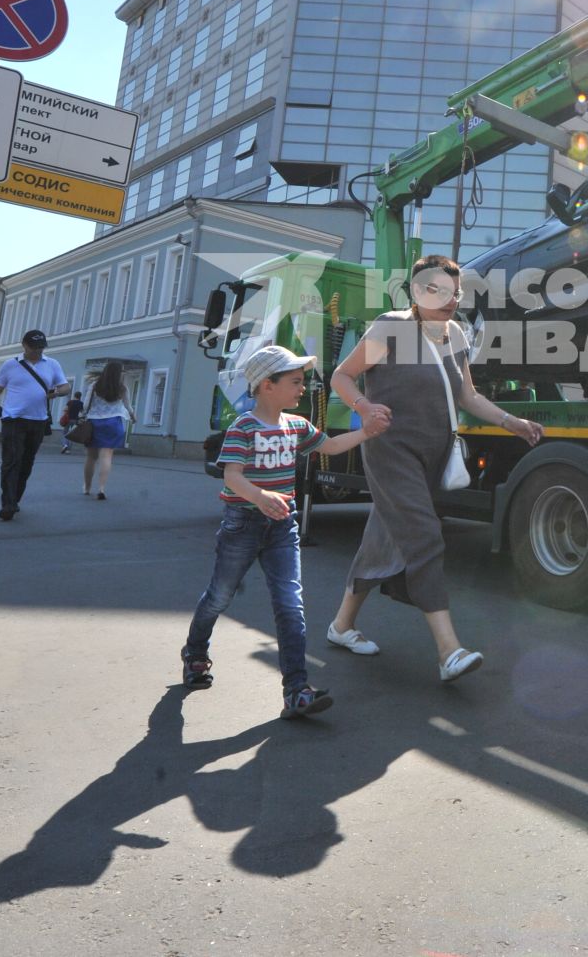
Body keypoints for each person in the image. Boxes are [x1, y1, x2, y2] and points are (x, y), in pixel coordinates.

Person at [327, 255, 545, 683]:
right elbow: (342, 375)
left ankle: (341, 626)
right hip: (391, 449)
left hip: (436, 452)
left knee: (383, 535)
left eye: (455, 292)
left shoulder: (456, 333)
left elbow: (468, 395)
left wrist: (511, 422)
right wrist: (365, 406)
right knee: (425, 535)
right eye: (438, 291)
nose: (450, 300)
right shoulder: (391, 327)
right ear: (417, 292)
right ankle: (449, 650)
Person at [179, 345, 384, 717]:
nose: (302, 388)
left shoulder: (296, 425)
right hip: (242, 525)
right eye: (294, 381)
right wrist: (259, 497)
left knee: (291, 606)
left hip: (282, 528)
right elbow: (232, 476)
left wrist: (367, 432)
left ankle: (297, 691)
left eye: (301, 382)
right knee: (219, 596)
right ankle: (195, 653)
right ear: (266, 385)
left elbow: (332, 445)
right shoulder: (244, 427)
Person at [0, 329, 69, 521]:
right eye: (34, 347)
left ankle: (15, 499)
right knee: (12, 461)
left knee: (27, 463)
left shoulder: (52, 364)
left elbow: (66, 386)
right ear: (24, 346)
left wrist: (57, 392)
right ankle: (8, 504)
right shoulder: (10, 365)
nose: (38, 351)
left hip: (38, 421)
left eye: (41, 347)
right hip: (13, 420)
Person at [80, 363, 132, 499]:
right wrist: (132, 415)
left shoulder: (95, 386)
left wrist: (83, 415)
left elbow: (85, 406)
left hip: (95, 423)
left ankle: (87, 487)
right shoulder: (122, 388)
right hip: (114, 423)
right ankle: (101, 489)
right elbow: (128, 406)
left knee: (91, 457)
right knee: (107, 456)